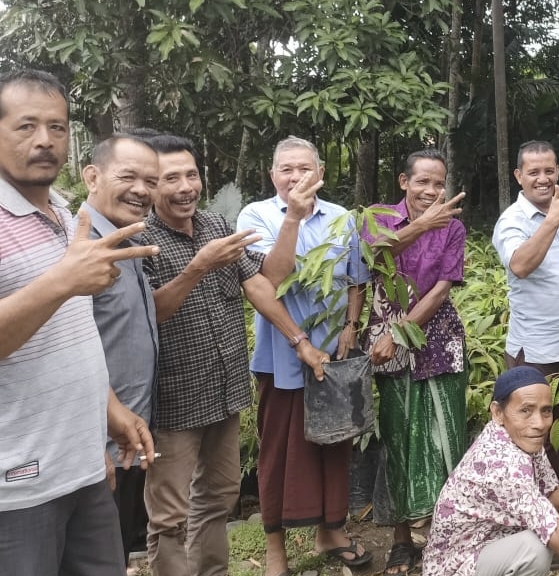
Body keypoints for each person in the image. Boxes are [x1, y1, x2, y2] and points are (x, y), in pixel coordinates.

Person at [142, 132, 326, 576]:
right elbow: (152, 314)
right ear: (151, 185)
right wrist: (197, 267)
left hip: (224, 390)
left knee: (219, 496)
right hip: (174, 398)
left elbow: (266, 281)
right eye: (172, 178)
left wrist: (299, 341)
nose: (186, 186)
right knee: (169, 514)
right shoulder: (142, 241)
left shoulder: (216, 226)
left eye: (191, 174)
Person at [0, 68, 156, 575]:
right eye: (26, 126)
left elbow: (74, 334)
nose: (44, 140)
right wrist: (64, 280)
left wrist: (108, 414)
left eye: (58, 127)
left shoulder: (68, 217)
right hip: (18, 486)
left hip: (84, 468)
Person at [237, 136, 371, 576]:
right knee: (279, 452)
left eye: (304, 169)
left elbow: (356, 278)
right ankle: (277, 550)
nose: (295, 177)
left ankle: (330, 530)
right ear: (272, 175)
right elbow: (269, 281)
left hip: (333, 356)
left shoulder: (341, 218)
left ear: (322, 175)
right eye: (286, 169)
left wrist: (351, 326)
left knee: (335, 446)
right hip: (281, 357)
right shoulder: (255, 215)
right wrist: (292, 217)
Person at [353, 149, 470, 575]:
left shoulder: (453, 227)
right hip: (385, 338)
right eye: (423, 181)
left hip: (438, 339)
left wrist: (399, 335)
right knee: (400, 439)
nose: (432, 191)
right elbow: (371, 261)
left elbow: (442, 290)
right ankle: (403, 540)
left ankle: (448, 538)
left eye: (439, 183)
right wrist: (420, 225)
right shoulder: (377, 219)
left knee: (446, 439)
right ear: (404, 181)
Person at [421, 367, 559, 576]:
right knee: (535, 550)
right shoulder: (502, 464)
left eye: (546, 411)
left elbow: (550, 493)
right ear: (497, 412)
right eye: (526, 410)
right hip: (456, 566)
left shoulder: (519, 435)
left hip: (492, 540)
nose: (539, 423)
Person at [491, 140, 559, 484]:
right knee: (533, 435)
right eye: (534, 172)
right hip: (536, 352)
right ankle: (533, 509)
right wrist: (551, 221)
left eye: (549, 170)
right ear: (519, 176)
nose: (543, 178)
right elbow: (521, 264)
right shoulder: (512, 221)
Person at [80, 134, 162, 563]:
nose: (142, 190)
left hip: (130, 436)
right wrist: (93, 442)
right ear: (91, 176)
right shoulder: (80, 248)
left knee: (115, 556)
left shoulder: (127, 243)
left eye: (151, 181)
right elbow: (62, 350)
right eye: (128, 176)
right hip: (95, 446)